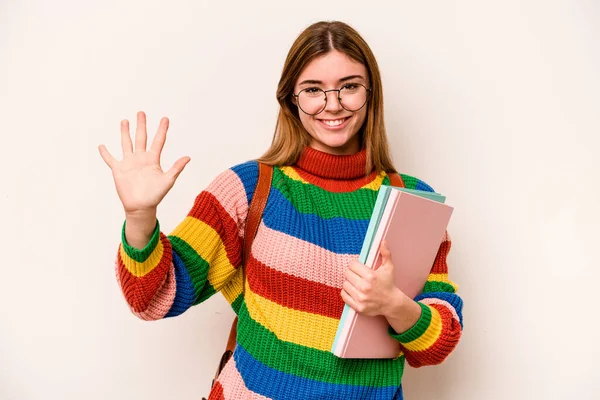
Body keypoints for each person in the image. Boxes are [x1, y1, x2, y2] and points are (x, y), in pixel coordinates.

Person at [98, 20, 463, 400]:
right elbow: (154, 297)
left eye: (350, 87)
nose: (333, 104)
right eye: (313, 90)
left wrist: (393, 305)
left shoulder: (412, 202)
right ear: (291, 98)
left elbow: (439, 342)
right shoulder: (248, 188)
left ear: (371, 94)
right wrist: (140, 217)